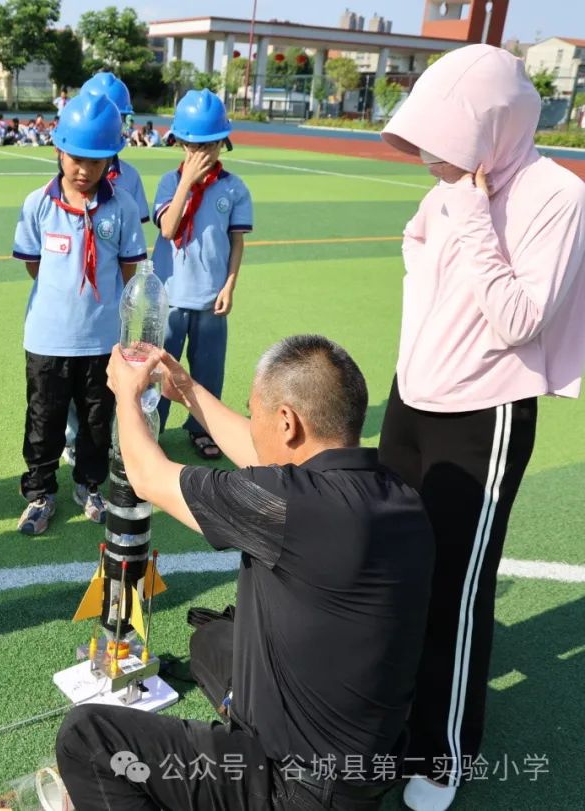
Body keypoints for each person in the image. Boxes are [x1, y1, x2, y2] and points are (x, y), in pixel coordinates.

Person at [55, 335, 437, 810]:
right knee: (212, 643)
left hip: (291, 788)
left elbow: (149, 476)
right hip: (361, 770)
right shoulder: (395, 495)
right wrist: (189, 390)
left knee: (87, 737)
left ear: (287, 422)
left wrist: (126, 396)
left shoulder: (289, 505)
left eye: (254, 413)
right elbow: (265, 456)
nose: (252, 428)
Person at [375, 44, 585, 811]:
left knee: (454, 592)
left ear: (493, 128)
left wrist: (470, 213)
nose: (431, 156)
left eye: (445, 137)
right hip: (412, 402)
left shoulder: (553, 196)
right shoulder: (447, 191)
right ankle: (394, 720)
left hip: (482, 416)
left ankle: (443, 752)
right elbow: (419, 259)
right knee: (394, 572)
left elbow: (521, 318)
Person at [11, 92, 148, 535]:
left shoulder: (123, 207)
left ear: (112, 158)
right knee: (44, 418)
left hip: (100, 337)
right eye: (76, 157)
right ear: (58, 149)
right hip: (48, 337)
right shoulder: (38, 204)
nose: (85, 170)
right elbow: (35, 266)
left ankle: (89, 484)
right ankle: (38, 492)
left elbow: (128, 274)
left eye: (97, 160)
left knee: (95, 419)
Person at [154, 88, 252, 460]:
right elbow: (167, 228)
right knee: (162, 369)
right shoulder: (168, 182)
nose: (201, 153)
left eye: (210, 144)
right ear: (179, 142)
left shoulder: (234, 187)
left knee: (208, 370)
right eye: (193, 145)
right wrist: (186, 182)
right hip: (170, 295)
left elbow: (236, 241)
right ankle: (154, 426)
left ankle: (203, 428)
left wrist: (230, 285)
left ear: (222, 142)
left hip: (211, 297)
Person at [60, 72, 152, 468]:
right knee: (68, 372)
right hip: (76, 296)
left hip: (114, 295)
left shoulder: (129, 177)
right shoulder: (70, 173)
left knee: (104, 376)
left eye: (123, 119)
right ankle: (70, 437)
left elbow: (134, 244)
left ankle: (106, 439)